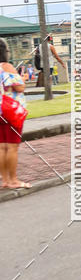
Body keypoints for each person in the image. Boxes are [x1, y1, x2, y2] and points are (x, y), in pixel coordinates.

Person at [0, 38, 30, 189]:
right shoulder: (6, 66)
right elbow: (19, 88)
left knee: (1, 147)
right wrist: (22, 79)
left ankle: (5, 180)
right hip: (10, 111)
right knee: (12, 147)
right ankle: (13, 181)